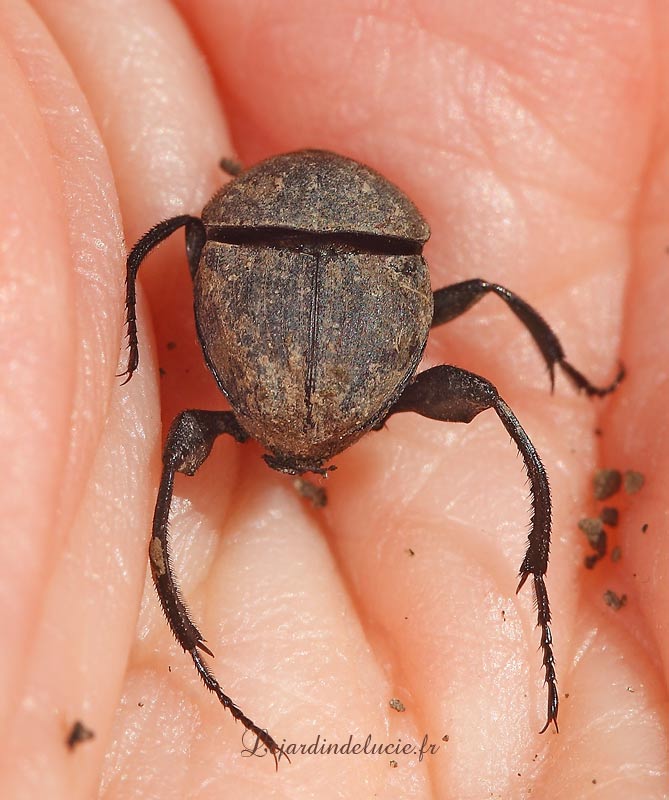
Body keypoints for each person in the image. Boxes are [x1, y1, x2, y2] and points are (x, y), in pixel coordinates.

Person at [0, 1, 666, 797]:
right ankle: (538, 602)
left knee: (178, 453)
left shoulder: (210, 232)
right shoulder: (382, 254)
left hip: (257, 382)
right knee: (488, 386)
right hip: (358, 389)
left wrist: (137, 319)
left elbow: (165, 238)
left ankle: (187, 634)